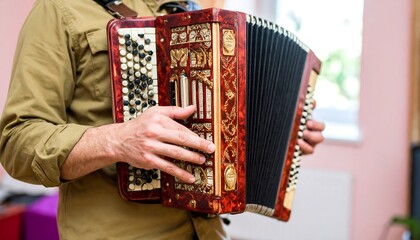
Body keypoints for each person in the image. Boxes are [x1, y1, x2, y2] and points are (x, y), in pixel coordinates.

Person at [0, 0, 325, 239]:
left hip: (208, 232)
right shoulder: (59, 9)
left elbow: (223, 127)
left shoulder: (187, 11)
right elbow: (18, 141)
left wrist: (286, 138)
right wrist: (116, 140)